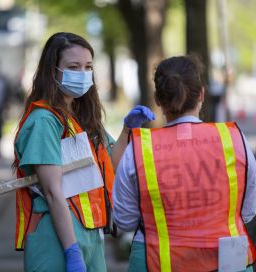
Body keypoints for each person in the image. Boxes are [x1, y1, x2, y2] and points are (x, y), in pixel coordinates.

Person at [13, 32, 154, 272]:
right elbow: (52, 191)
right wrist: (72, 251)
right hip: (56, 236)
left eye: (88, 67)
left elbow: (110, 165)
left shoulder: (82, 118)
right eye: (73, 67)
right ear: (53, 71)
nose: (82, 73)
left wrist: (128, 131)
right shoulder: (45, 121)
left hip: (89, 232)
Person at [112, 55, 256, 272]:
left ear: (158, 100)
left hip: (156, 261)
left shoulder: (140, 149)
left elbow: (124, 221)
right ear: (202, 94)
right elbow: (247, 212)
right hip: (227, 260)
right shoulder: (235, 139)